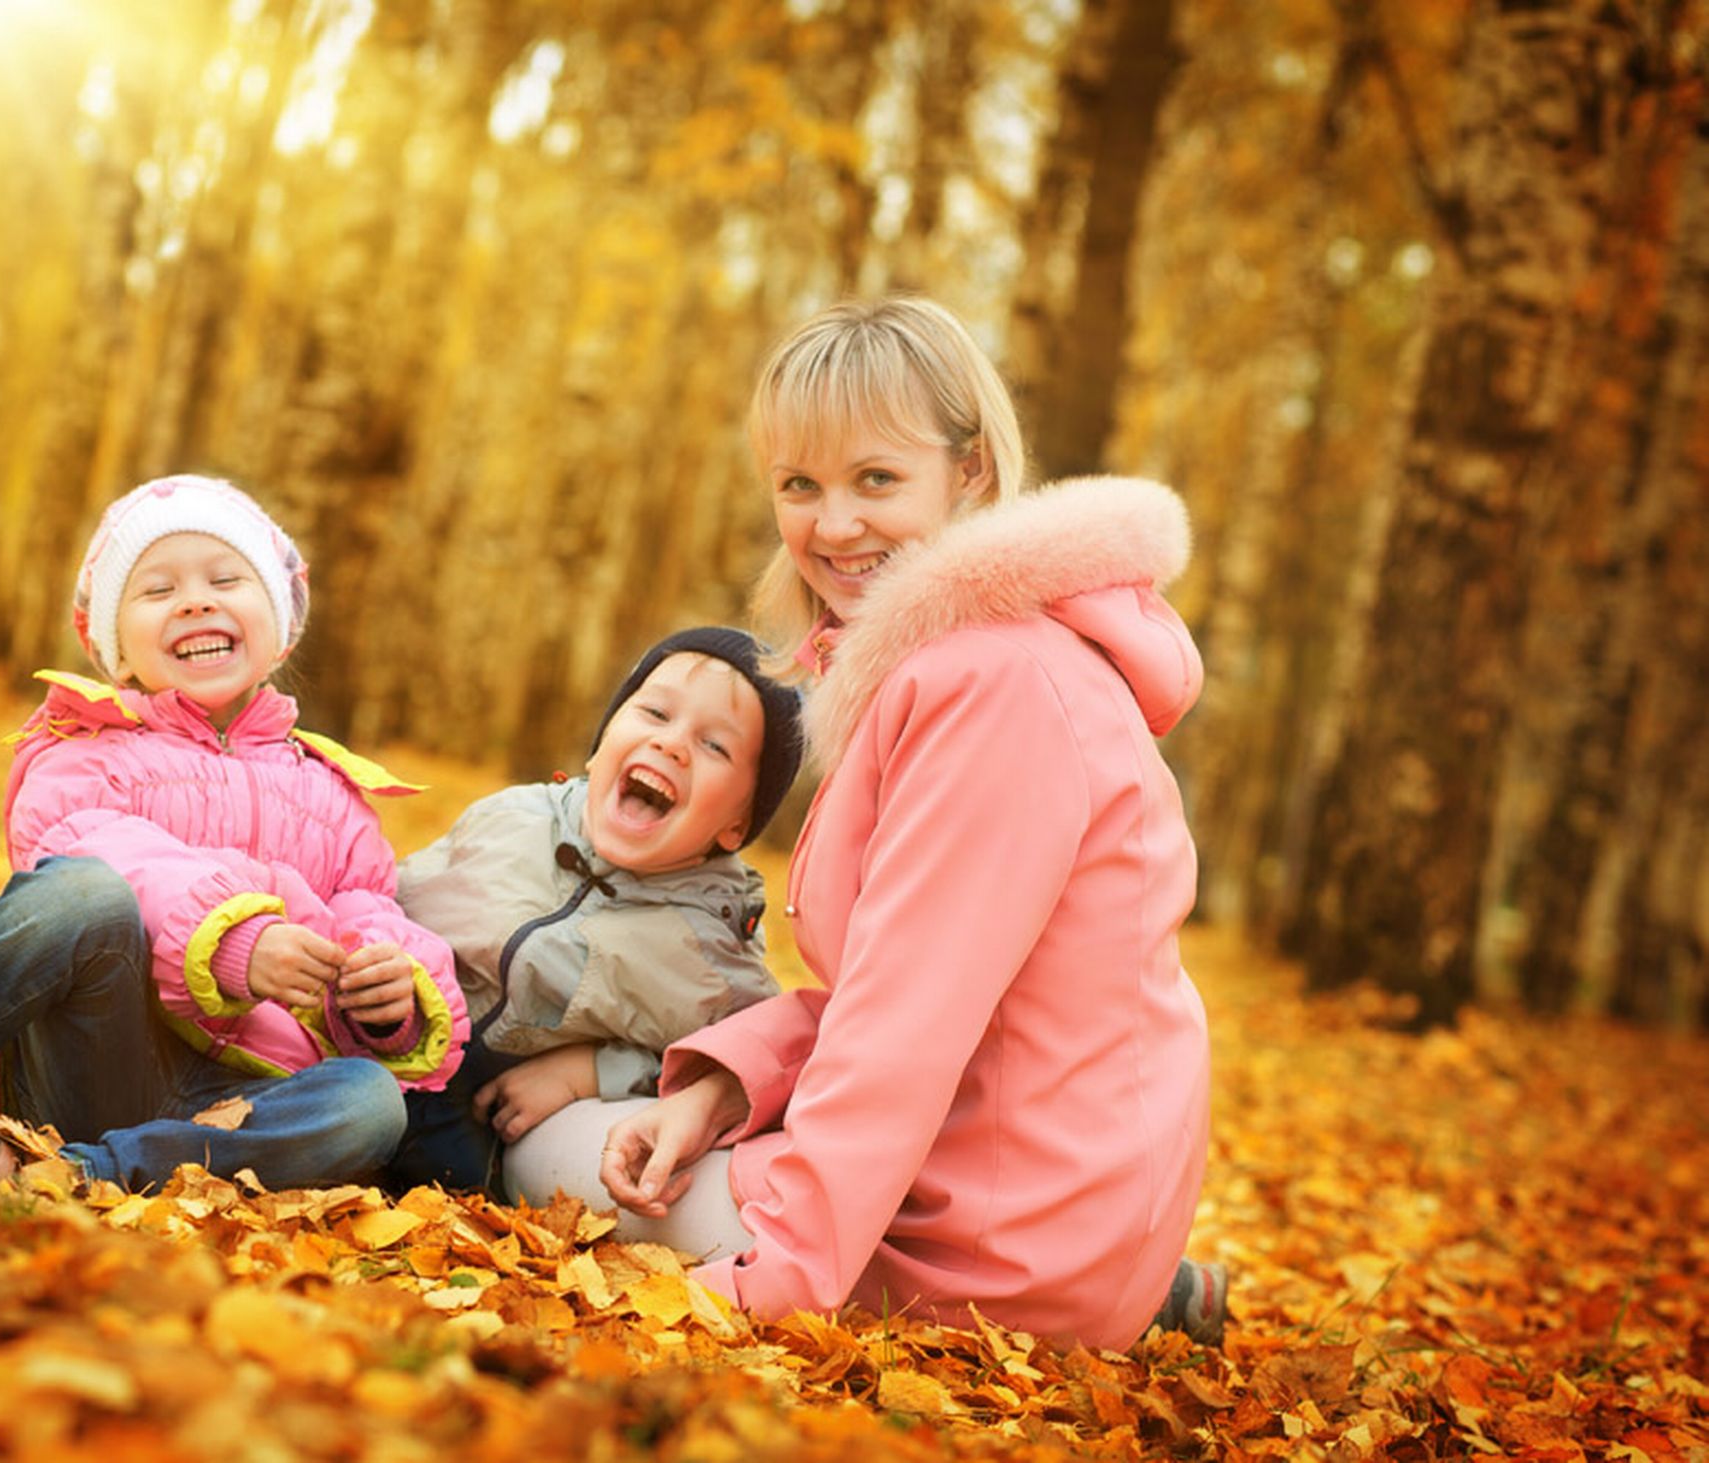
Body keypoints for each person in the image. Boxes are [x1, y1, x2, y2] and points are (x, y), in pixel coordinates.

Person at [503, 296, 1227, 1348]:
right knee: (627, 1136)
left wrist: (774, 1282)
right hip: (1033, 1197)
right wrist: (713, 1094)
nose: (832, 526)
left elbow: (905, 1024)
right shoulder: (962, 660)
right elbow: (895, 987)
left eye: (875, 479)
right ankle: (1140, 1290)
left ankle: (1093, 1300)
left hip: (994, 1246)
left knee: (540, 1148)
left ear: (969, 468)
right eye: (801, 485)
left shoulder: (991, 686)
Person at [0, 473, 467, 1191]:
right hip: (88, 1058)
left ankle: (70, 1174)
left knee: (368, 1101)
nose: (196, 599)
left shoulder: (332, 792)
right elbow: (92, 850)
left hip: (233, 1105)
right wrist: (235, 938)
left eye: (226, 578)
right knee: (84, 891)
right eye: (158, 589)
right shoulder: (84, 749)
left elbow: (368, 910)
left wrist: (385, 998)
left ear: (280, 629)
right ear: (117, 647)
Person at [386, 627, 802, 1202]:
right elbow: (392, 900)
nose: (673, 745)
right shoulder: (512, 819)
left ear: (737, 825)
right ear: (603, 742)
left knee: (454, 1180)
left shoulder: (708, 941)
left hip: (482, 1114)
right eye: (655, 713)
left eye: (715, 747)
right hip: (383, 1044)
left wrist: (590, 1071)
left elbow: (729, 1070)